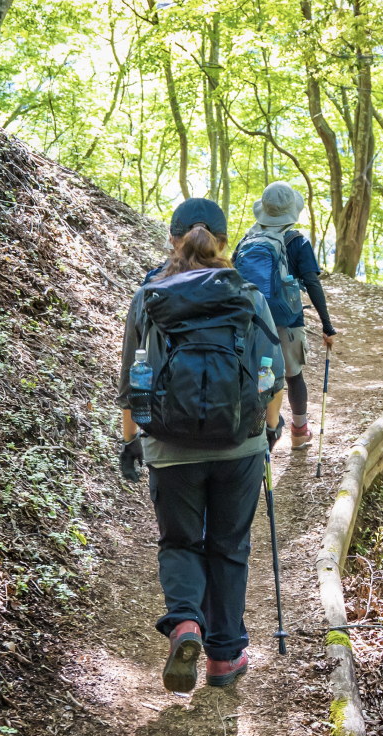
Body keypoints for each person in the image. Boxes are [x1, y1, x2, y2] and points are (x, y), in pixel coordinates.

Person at [117, 198, 286, 692]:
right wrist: (269, 431)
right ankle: (224, 659)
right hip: (240, 446)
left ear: (171, 237)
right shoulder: (247, 293)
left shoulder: (150, 294)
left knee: (180, 542)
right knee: (230, 548)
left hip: (170, 447)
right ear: (225, 241)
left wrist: (133, 441)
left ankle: (186, 623)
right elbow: (271, 374)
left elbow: (132, 379)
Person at [235, 181, 336, 449]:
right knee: (293, 376)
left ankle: (259, 434)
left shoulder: (247, 240)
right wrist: (327, 326)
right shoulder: (297, 241)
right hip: (286, 321)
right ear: (292, 211)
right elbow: (312, 284)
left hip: (253, 321)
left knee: (261, 374)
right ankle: (299, 432)